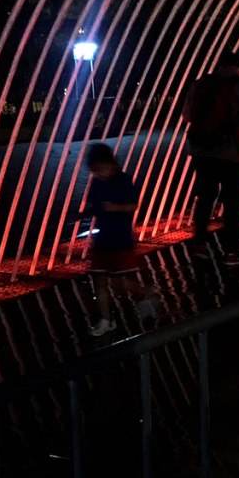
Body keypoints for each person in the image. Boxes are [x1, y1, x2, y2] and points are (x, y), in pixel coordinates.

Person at [183, 48, 239, 266]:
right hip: (231, 153)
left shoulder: (201, 83)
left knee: (205, 197)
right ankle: (231, 252)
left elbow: (187, 114)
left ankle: (199, 245)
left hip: (202, 151)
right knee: (233, 203)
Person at [81, 142, 158, 336]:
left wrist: (114, 208)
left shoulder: (123, 180)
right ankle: (106, 320)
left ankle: (145, 293)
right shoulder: (97, 182)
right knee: (99, 282)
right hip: (102, 239)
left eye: (101, 168)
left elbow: (133, 205)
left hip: (120, 239)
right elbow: (95, 205)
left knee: (119, 284)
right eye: (94, 170)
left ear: (111, 163)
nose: (98, 173)